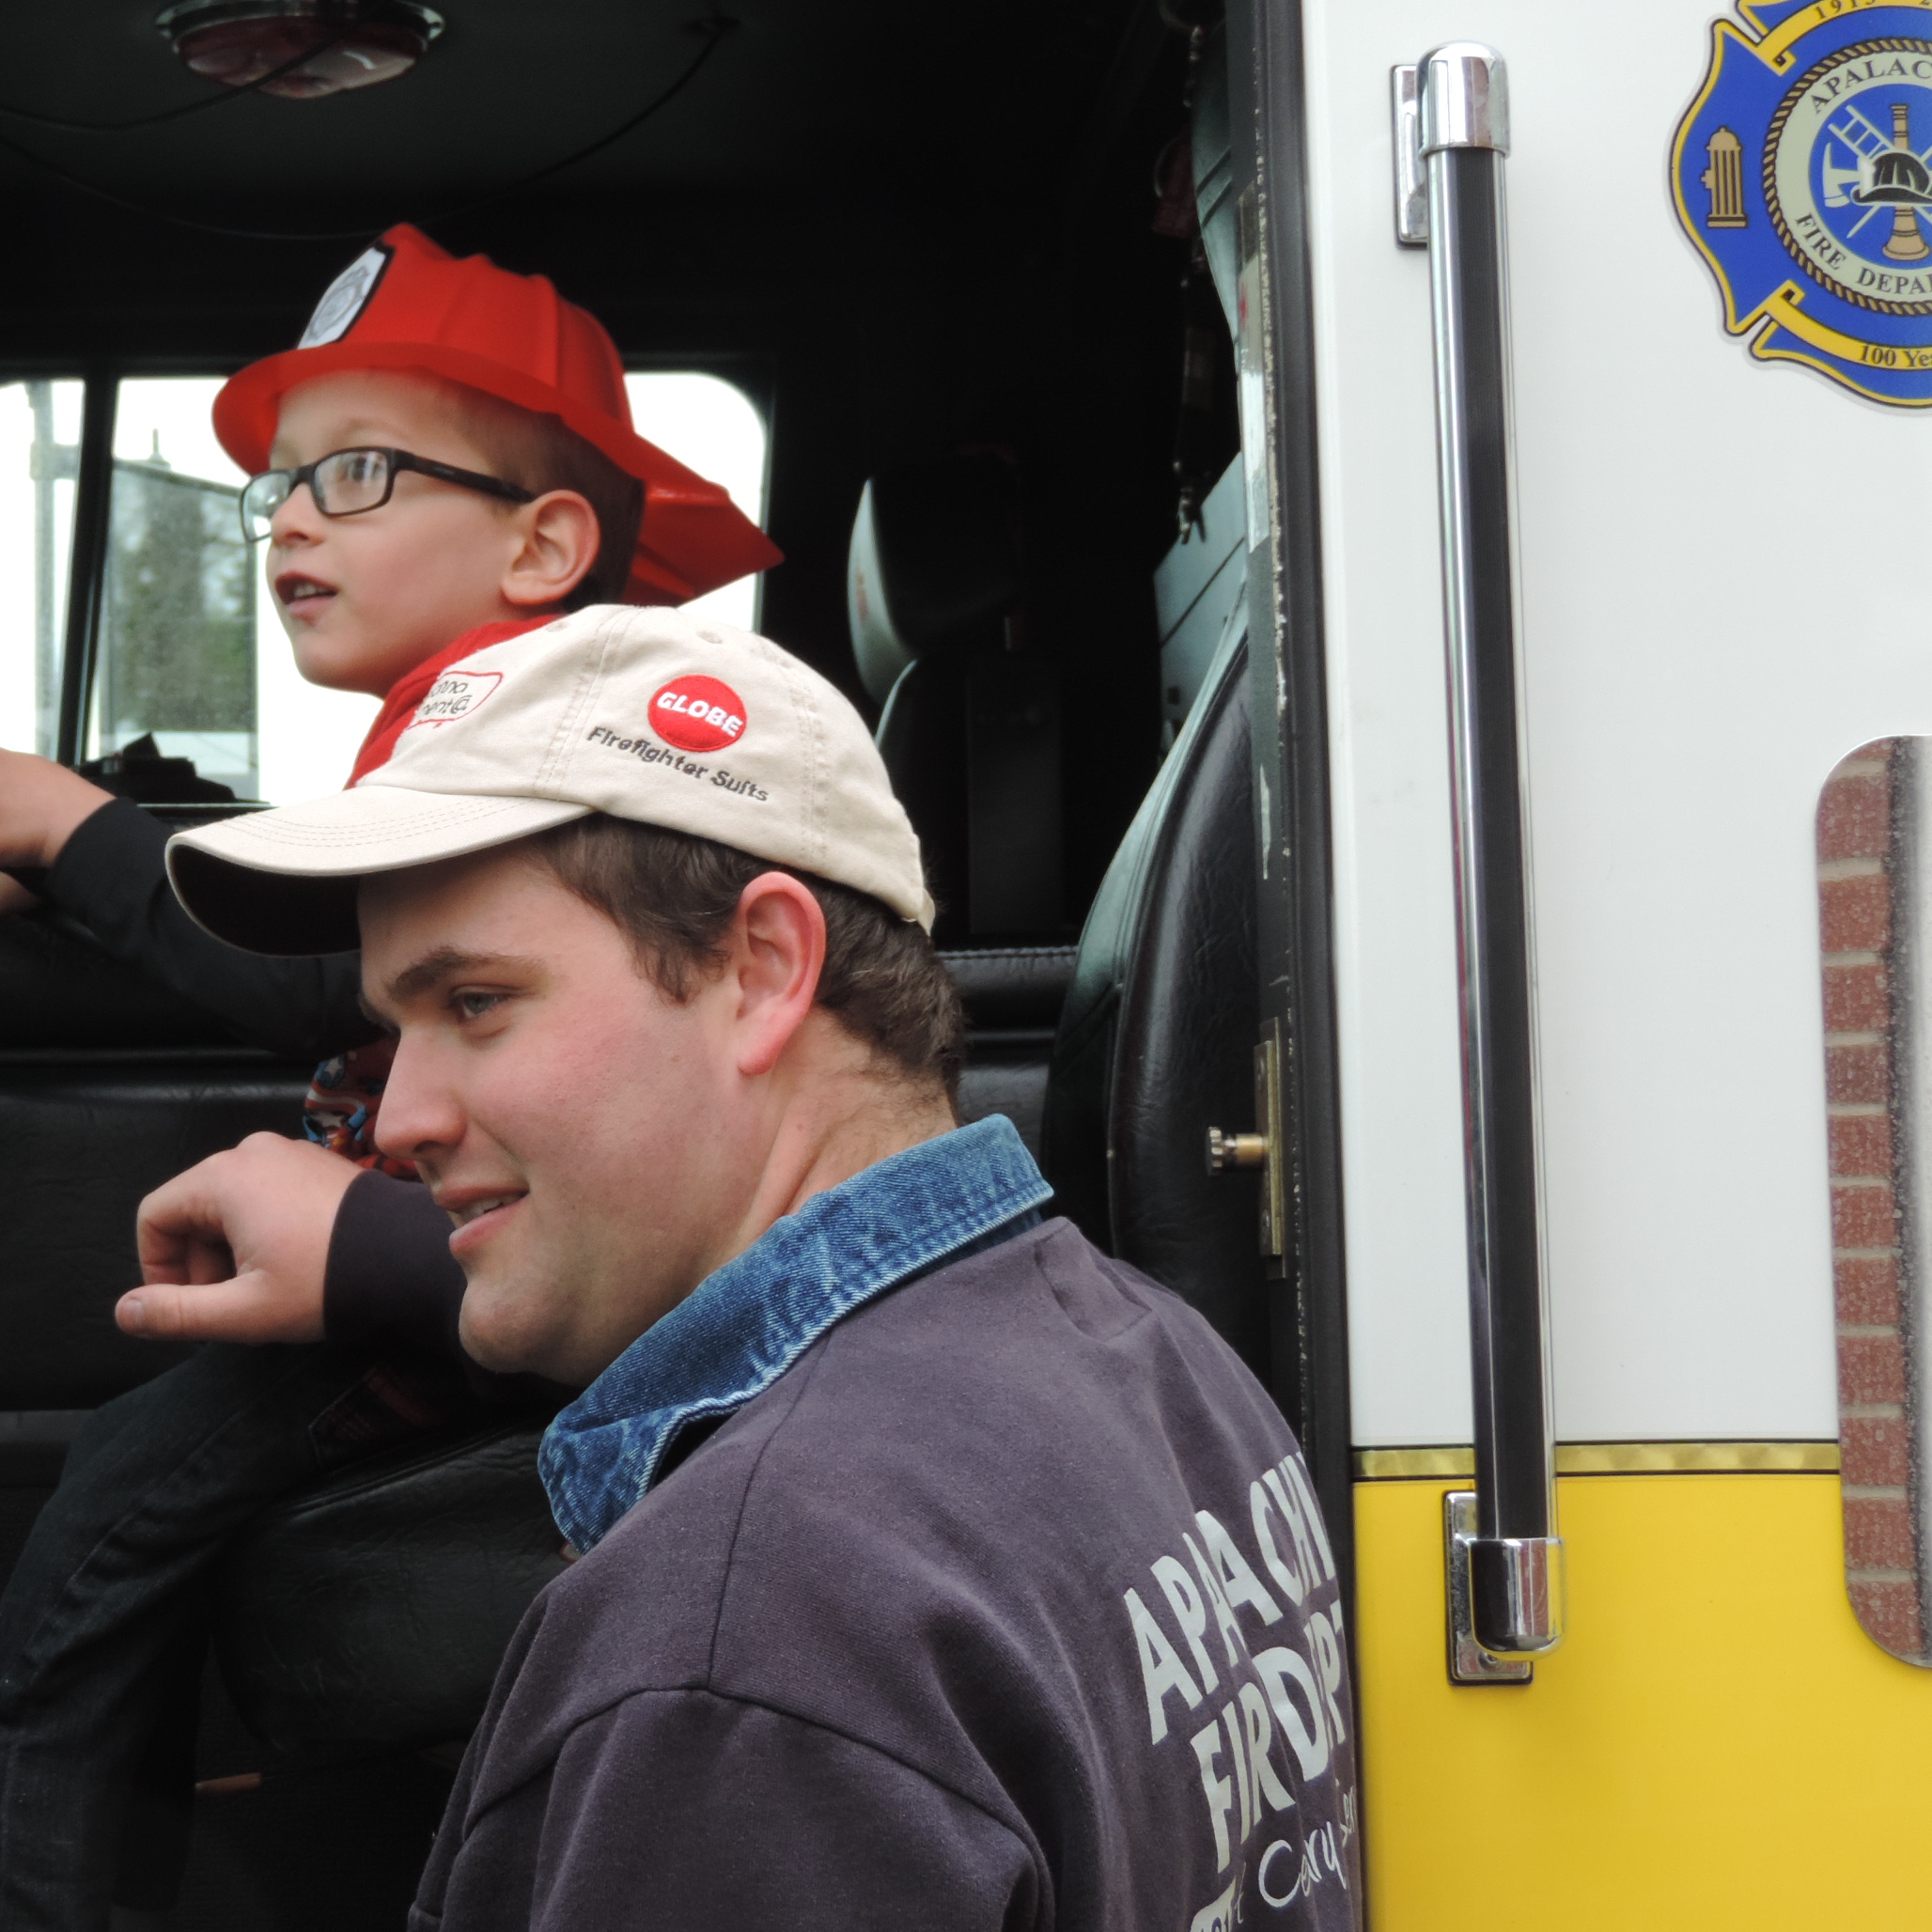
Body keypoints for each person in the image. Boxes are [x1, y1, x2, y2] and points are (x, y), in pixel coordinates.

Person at [150, 603, 1363, 1931]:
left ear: (766, 967)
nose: (399, 1121)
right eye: (397, 1029)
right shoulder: (1154, 1359)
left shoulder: (746, 1651)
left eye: (476, 1004)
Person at [0, 226, 780, 1932]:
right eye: (277, 486)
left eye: (354, 474)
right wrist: (83, 878)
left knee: (96, 1543)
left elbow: (326, 972)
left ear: (544, 542)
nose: (286, 519)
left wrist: (78, 828)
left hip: (491, 1259)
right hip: (436, 1237)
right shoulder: (458, 716)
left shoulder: (529, 722)